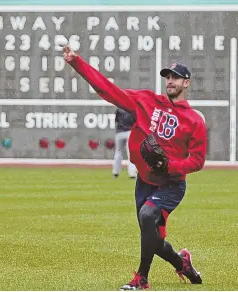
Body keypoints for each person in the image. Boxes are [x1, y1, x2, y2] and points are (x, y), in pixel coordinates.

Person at [63, 46, 207, 290]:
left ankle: (141, 278)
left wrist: (171, 165)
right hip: (144, 181)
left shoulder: (194, 120)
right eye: (167, 77)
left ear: (187, 82)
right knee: (155, 241)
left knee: (147, 215)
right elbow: (107, 89)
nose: (170, 81)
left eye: (175, 77)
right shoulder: (146, 101)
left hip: (171, 184)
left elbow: (197, 161)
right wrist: (77, 63)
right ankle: (183, 263)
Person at [113, 107, 137, 179]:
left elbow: (116, 120)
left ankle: (115, 172)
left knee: (118, 152)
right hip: (129, 132)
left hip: (119, 132)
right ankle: (132, 174)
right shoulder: (132, 109)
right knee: (130, 154)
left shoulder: (119, 109)